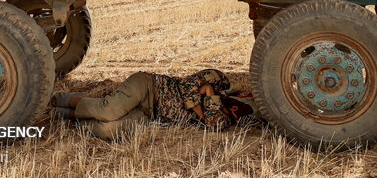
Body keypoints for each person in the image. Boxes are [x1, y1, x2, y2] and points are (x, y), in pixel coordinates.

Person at [52, 69, 253, 140]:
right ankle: (58, 100)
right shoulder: (219, 79)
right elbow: (186, 85)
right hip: (148, 87)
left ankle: (63, 115)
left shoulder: (218, 112)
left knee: (107, 130)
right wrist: (209, 88)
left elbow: (215, 125)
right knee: (107, 110)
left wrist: (209, 95)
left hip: (150, 115)